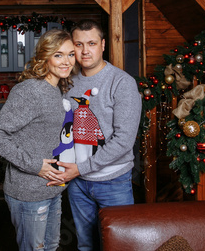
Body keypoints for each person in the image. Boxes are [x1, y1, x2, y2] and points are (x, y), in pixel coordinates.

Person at [50, 20, 142, 250]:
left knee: (120, 245)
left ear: (102, 45)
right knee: (86, 245)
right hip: (77, 183)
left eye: (91, 43)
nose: (84, 51)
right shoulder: (66, 81)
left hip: (114, 181)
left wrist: (80, 169)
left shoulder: (121, 83)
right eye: (78, 44)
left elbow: (124, 141)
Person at [0, 29, 77, 251]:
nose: (66, 61)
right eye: (58, 55)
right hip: (28, 192)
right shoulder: (30, 90)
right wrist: (36, 166)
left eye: (71, 54)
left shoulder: (56, 89)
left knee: (51, 246)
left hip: (52, 188)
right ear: (44, 57)